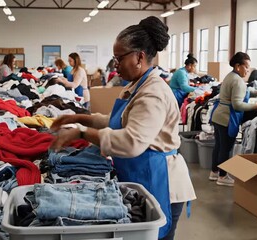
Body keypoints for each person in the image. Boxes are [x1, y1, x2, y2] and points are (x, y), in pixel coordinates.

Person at [49, 16, 196, 240]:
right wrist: (82, 117)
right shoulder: (137, 86)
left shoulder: (152, 93)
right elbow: (117, 122)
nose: (115, 64)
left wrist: (81, 132)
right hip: (144, 173)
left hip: (162, 181)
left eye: (119, 58)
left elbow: (131, 141)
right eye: (115, 58)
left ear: (139, 57)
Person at [209, 52, 257, 186]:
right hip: (227, 118)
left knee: (218, 146)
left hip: (218, 116)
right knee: (226, 148)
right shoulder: (238, 81)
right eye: (246, 67)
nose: (248, 70)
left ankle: (214, 172)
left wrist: (256, 92)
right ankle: (223, 177)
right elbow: (237, 104)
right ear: (238, 66)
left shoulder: (231, 76)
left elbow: (239, 91)